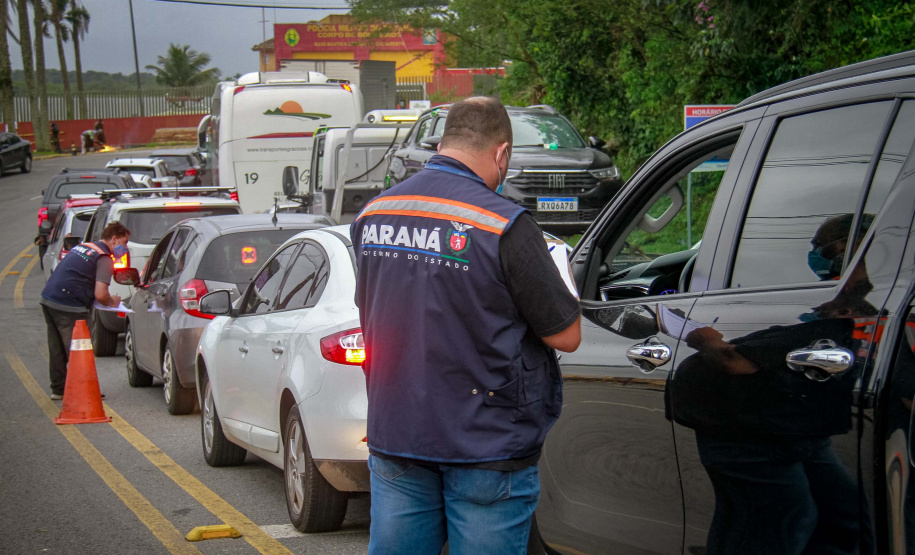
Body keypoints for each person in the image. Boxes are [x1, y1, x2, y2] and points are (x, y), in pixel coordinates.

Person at [352, 96, 582, 554]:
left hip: (397, 433)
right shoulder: (504, 223)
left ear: (446, 141)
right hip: (485, 444)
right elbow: (566, 335)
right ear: (501, 153)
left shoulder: (371, 215)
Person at [40, 222, 130, 400]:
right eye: (125, 242)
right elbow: (101, 294)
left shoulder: (84, 247)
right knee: (80, 350)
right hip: (70, 306)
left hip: (49, 299)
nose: (126, 248)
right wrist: (113, 302)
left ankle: (58, 389)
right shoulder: (104, 258)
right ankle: (84, 391)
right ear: (114, 239)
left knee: (57, 347)